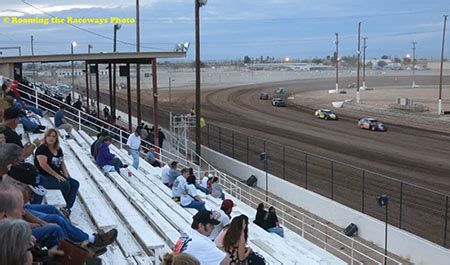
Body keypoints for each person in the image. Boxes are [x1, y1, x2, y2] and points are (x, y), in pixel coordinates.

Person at [34, 128, 80, 217]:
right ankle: (63, 207)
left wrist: (66, 175)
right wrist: (57, 175)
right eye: (49, 136)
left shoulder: (58, 149)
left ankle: (67, 207)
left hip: (56, 175)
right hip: (44, 176)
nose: (51, 138)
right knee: (65, 184)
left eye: (54, 136)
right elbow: (43, 165)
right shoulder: (42, 149)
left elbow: (62, 163)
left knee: (74, 183)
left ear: (56, 139)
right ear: (45, 137)